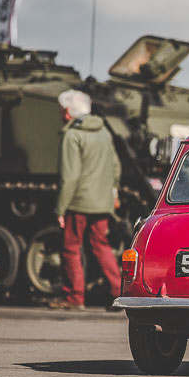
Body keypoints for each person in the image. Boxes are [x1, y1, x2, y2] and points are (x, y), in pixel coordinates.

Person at [52, 89, 121, 310]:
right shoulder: (104, 132)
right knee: (101, 246)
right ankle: (118, 292)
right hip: (102, 202)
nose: (61, 114)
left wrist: (60, 209)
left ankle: (74, 297)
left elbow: (69, 176)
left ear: (68, 112)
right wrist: (112, 194)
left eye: (62, 110)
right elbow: (116, 168)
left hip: (78, 202)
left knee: (71, 248)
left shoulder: (72, 134)